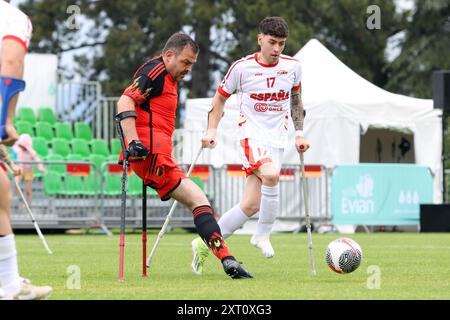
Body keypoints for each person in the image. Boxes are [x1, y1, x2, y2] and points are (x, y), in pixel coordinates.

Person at [116, 32, 252, 279]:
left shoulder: (168, 76)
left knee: (198, 200)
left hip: (157, 155)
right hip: (150, 154)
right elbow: (125, 101)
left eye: (192, 65)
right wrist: (133, 142)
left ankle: (228, 259)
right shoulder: (155, 71)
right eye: (186, 63)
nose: (188, 69)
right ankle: (227, 258)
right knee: (198, 200)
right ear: (169, 55)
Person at [191, 17, 310, 275]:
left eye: (281, 43)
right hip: (251, 136)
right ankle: (262, 235)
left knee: (250, 205)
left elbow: (297, 100)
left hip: (277, 139)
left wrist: (299, 133)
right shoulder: (241, 68)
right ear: (260, 40)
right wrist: (211, 131)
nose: (277, 49)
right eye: (272, 42)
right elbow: (219, 100)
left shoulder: (293, 67)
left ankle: (204, 243)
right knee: (271, 175)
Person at [0, 0, 52, 299]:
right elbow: (11, 62)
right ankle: (9, 286)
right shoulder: (14, 18)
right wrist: (5, 121)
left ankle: (9, 285)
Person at [12, 134, 45, 206]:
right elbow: (19, 159)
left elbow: (37, 160)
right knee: (16, 184)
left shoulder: (31, 151)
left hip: (29, 171)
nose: (20, 146)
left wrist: (40, 167)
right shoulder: (19, 149)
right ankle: (16, 202)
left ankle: (28, 204)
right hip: (20, 169)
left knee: (28, 189)